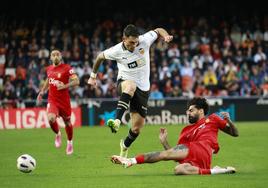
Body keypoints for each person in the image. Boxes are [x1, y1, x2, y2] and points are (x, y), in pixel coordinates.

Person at [88, 24, 173, 157]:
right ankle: (117, 121)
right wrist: (93, 77)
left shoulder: (144, 40)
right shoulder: (116, 50)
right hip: (125, 81)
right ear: (124, 39)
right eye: (131, 43)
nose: (134, 45)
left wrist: (166, 35)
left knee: (136, 129)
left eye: (136, 42)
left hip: (143, 89)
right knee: (130, 86)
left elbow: (158, 30)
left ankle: (125, 145)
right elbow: (100, 57)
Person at [111, 97, 239, 175]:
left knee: (163, 155)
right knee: (179, 169)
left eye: (191, 110)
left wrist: (229, 122)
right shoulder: (186, 131)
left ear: (201, 111)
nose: (187, 113)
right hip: (199, 160)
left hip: (204, 148)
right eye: (187, 111)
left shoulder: (213, 119)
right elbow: (176, 156)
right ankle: (215, 171)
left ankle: (130, 161)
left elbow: (235, 133)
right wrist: (164, 142)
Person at [37, 50, 80, 155]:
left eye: (57, 54)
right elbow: (48, 80)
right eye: (53, 55)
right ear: (50, 57)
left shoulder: (67, 68)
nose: (55, 56)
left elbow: (77, 81)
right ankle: (58, 134)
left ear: (61, 57)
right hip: (52, 100)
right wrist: (42, 91)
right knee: (51, 119)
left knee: (68, 123)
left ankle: (70, 142)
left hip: (64, 101)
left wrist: (64, 86)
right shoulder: (49, 69)